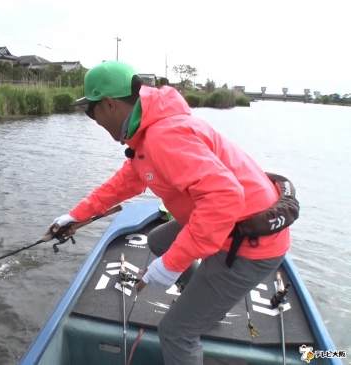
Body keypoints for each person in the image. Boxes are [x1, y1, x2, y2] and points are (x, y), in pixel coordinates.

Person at [46, 60, 292, 365]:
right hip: (228, 224)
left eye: (90, 110)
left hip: (249, 244)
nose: (91, 118)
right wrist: (75, 216)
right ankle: (203, 304)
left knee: (176, 333)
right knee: (159, 240)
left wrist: (172, 265)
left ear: (109, 105)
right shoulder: (147, 133)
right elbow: (123, 183)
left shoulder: (163, 137)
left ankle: (198, 313)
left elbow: (224, 197)